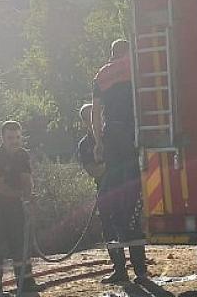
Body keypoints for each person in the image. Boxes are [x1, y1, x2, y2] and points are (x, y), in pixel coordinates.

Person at [91, 39, 148, 283]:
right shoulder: (139, 67)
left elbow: (95, 111)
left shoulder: (102, 75)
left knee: (110, 207)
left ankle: (120, 270)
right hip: (135, 137)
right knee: (133, 200)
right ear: (128, 52)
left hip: (112, 138)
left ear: (111, 54)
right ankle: (141, 271)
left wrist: (98, 142)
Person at [0, 120, 41, 296]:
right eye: (10, 138)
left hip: (14, 207)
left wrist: (29, 196)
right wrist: (21, 195)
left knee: (20, 245)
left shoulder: (22, 155)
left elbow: (27, 179)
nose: (14, 141)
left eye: (17, 137)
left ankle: (26, 285)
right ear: (3, 138)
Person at [76, 103, 125, 279]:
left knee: (131, 228)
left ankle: (141, 271)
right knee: (109, 230)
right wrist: (111, 163)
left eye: (98, 115)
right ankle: (120, 270)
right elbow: (94, 171)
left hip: (125, 189)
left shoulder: (115, 135)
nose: (96, 120)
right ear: (84, 123)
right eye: (91, 118)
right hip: (105, 191)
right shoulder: (84, 145)